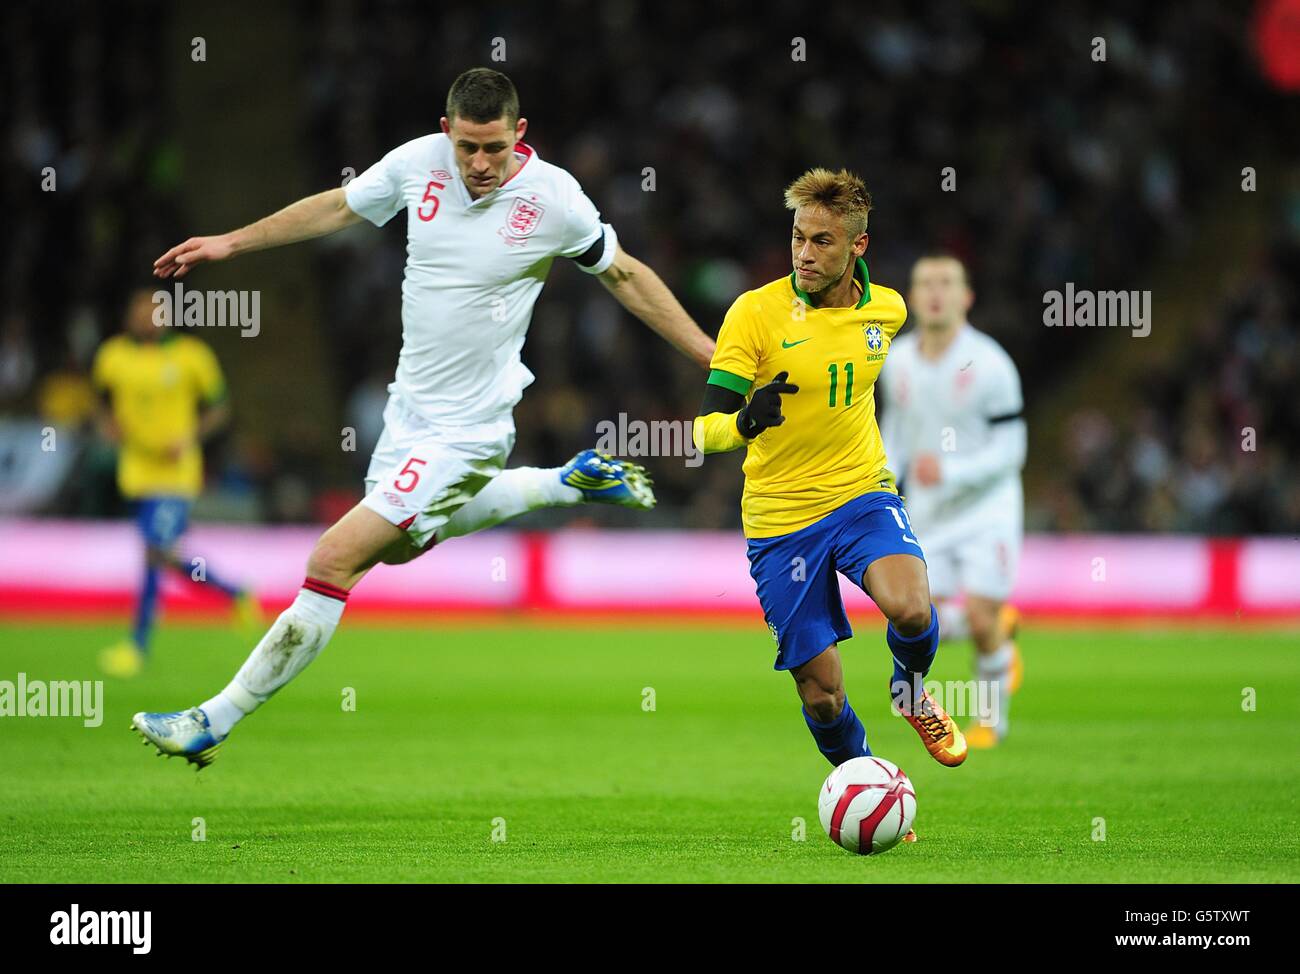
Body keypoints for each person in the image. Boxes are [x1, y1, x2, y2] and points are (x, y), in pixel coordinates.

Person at [133, 67, 713, 766]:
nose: (479, 164)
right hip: (407, 414)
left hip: (470, 431)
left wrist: (710, 353)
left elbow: (626, 275)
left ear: (518, 134)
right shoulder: (416, 166)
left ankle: (211, 720)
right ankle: (562, 482)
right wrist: (232, 242)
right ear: (447, 132)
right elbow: (337, 208)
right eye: (467, 147)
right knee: (400, 548)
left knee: (333, 560)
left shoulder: (556, 199)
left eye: (494, 148)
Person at [693, 168, 967, 796]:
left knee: (912, 607)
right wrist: (744, 420)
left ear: (857, 248)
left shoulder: (887, 310)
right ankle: (872, 790)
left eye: (821, 241)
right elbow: (701, 429)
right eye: (797, 237)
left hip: (860, 495)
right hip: (780, 521)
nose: (804, 254)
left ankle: (912, 692)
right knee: (822, 695)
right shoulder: (755, 314)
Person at [878, 255, 1025, 747]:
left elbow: (1013, 449)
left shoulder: (992, 363)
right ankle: (999, 628)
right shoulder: (895, 359)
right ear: (912, 297)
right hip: (928, 511)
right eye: (925, 284)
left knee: (980, 620)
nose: (935, 292)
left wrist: (952, 470)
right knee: (917, 618)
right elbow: (895, 432)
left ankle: (991, 723)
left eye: (947, 283)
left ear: (967, 297)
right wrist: (881, 479)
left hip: (988, 509)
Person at [94, 289, 259, 678]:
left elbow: (219, 406)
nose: (148, 318)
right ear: (129, 315)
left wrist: (190, 437)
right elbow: (101, 401)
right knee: (165, 553)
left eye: (155, 311)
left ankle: (137, 646)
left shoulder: (191, 355)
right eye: (141, 311)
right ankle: (234, 593)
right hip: (136, 471)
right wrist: (108, 425)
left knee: (155, 550)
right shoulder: (113, 356)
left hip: (176, 473)